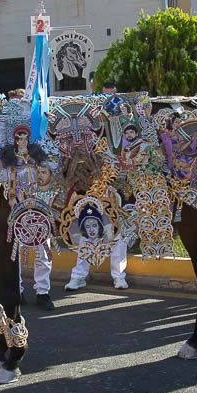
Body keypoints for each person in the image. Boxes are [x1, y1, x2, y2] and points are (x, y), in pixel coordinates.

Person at [68, 79, 130, 290]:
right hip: (92, 191)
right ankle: (78, 276)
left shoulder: (126, 129)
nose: (107, 103)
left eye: (111, 97)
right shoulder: (92, 130)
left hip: (118, 191)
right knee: (87, 229)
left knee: (117, 234)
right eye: (103, 98)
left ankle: (119, 277)